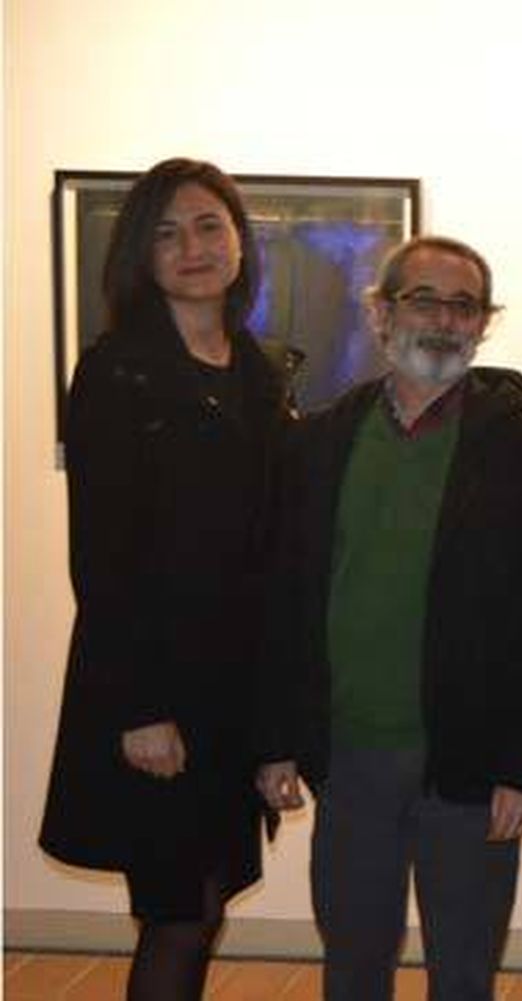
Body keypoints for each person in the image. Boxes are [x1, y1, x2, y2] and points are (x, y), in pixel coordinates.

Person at [254, 235, 522, 1001]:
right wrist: (273, 740)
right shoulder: (320, 442)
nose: (443, 320)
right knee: (353, 969)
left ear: (483, 323)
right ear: (381, 313)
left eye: (463, 305)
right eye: (423, 299)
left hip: (470, 765)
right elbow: (285, 598)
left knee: (464, 975)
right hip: (351, 759)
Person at [39, 157, 293, 1000]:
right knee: (177, 914)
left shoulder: (260, 375)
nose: (192, 247)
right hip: (156, 692)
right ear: (139, 257)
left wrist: (275, 725)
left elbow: (269, 554)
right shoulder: (118, 372)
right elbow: (101, 559)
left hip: (233, 692)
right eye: (167, 232)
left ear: (240, 240)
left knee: (207, 902)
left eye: (209, 225)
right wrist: (140, 707)